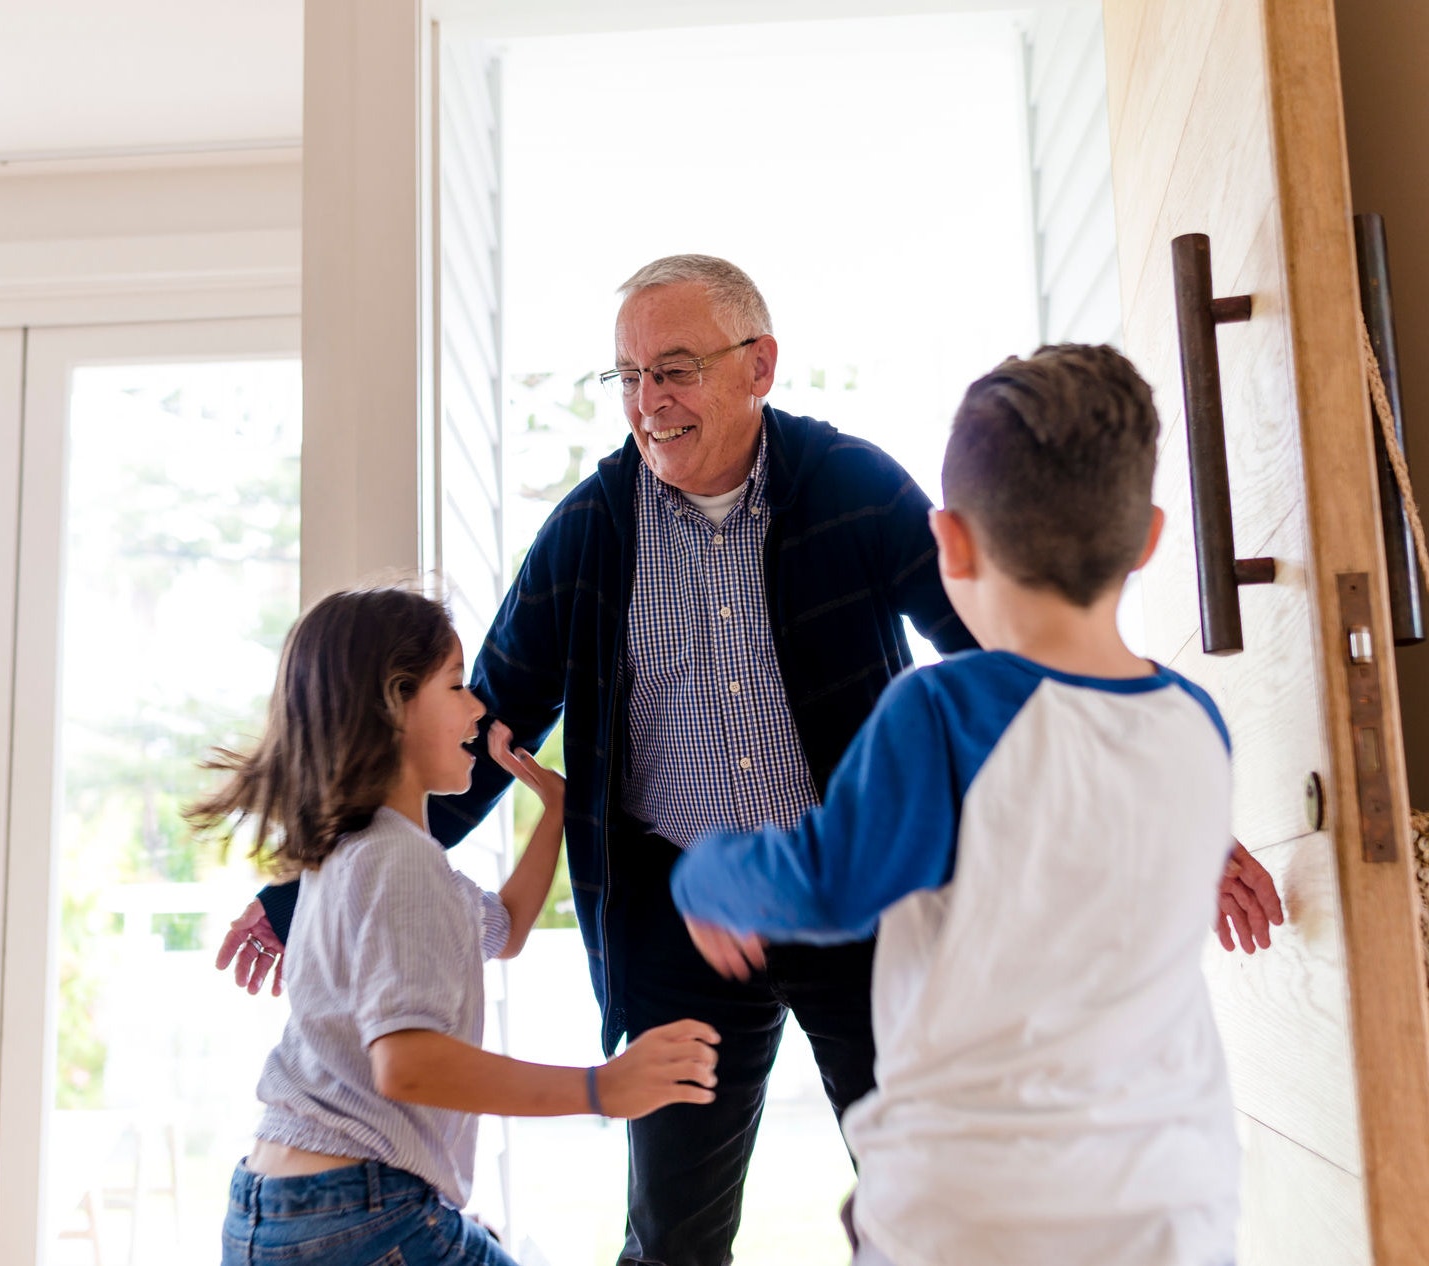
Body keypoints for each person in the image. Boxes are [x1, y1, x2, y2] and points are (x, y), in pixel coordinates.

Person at [219, 257, 1280, 1265]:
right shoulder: (592, 528)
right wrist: (297, 899)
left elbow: (1015, 649)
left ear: (755, 366)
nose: (647, 401)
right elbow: (477, 728)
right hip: (677, 925)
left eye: (673, 370)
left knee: (913, 1170)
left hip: (848, 900)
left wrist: (1188, 824)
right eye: (628, 377)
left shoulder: (852, 487)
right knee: (673, 1234)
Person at [671, 344, 1241, 1266]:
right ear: (1147, 536)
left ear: (951, 544)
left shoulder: (950, 711)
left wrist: (709, 872)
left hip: (977, 1210)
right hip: (1171, 1206)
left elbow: (827, 882)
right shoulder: (1197, 726)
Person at [189, 584, 718, 1266]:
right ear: (394, 703)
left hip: (271, 1206)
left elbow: (505, 929)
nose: (477, 708)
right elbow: (407, 1065)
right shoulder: (398, 861)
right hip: (358, 1213)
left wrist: (553, 811)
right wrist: (601, 1087)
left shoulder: (356, 853)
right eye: (456, 686)